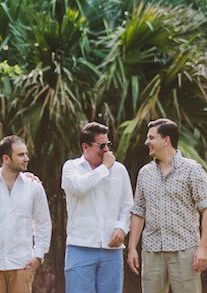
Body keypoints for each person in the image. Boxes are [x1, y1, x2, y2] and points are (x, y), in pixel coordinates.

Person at [127, 118, 207, 293]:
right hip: (152, 250)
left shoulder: (193, 169)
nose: (147, 142)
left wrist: (203, 248)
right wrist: (132, 248)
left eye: (151, 138)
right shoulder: (144, 173)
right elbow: (138, 212)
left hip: (185, 250)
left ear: (166, 140)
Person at [0, 135, 52, 293]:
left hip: (22, 264)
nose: (26, 158)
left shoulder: (34, 188)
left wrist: (38, 256)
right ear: (6, 158)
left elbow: (43, 224)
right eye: (21, 155)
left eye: (26, 154)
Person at [61, 122, 134, 293]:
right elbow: (79, 187)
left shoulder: (120, 170)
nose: (106, 150)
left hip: (112, 249)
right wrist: (104, 168)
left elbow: (128, 205)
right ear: (85, 147)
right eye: (101, 146)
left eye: (108, 144)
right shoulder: (71, 168)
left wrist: (122, 228)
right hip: (80, 246)